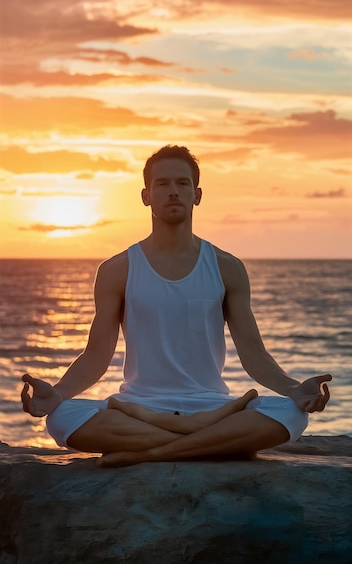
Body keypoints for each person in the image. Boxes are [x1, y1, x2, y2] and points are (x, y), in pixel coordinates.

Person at [21, 145, 332, 468]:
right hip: (138, 407)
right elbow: (97, 355)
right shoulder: (117, 269)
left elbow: (253, 354)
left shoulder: (227, 267)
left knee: (291, 414)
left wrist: (294, 390)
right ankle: (219, 445)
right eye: (163, 184)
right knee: (63, 417)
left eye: (182, 184)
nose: (173, 192)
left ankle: (151, 453)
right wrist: (57, 394)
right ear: (146, 195)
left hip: (210, 406)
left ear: (197, 195)